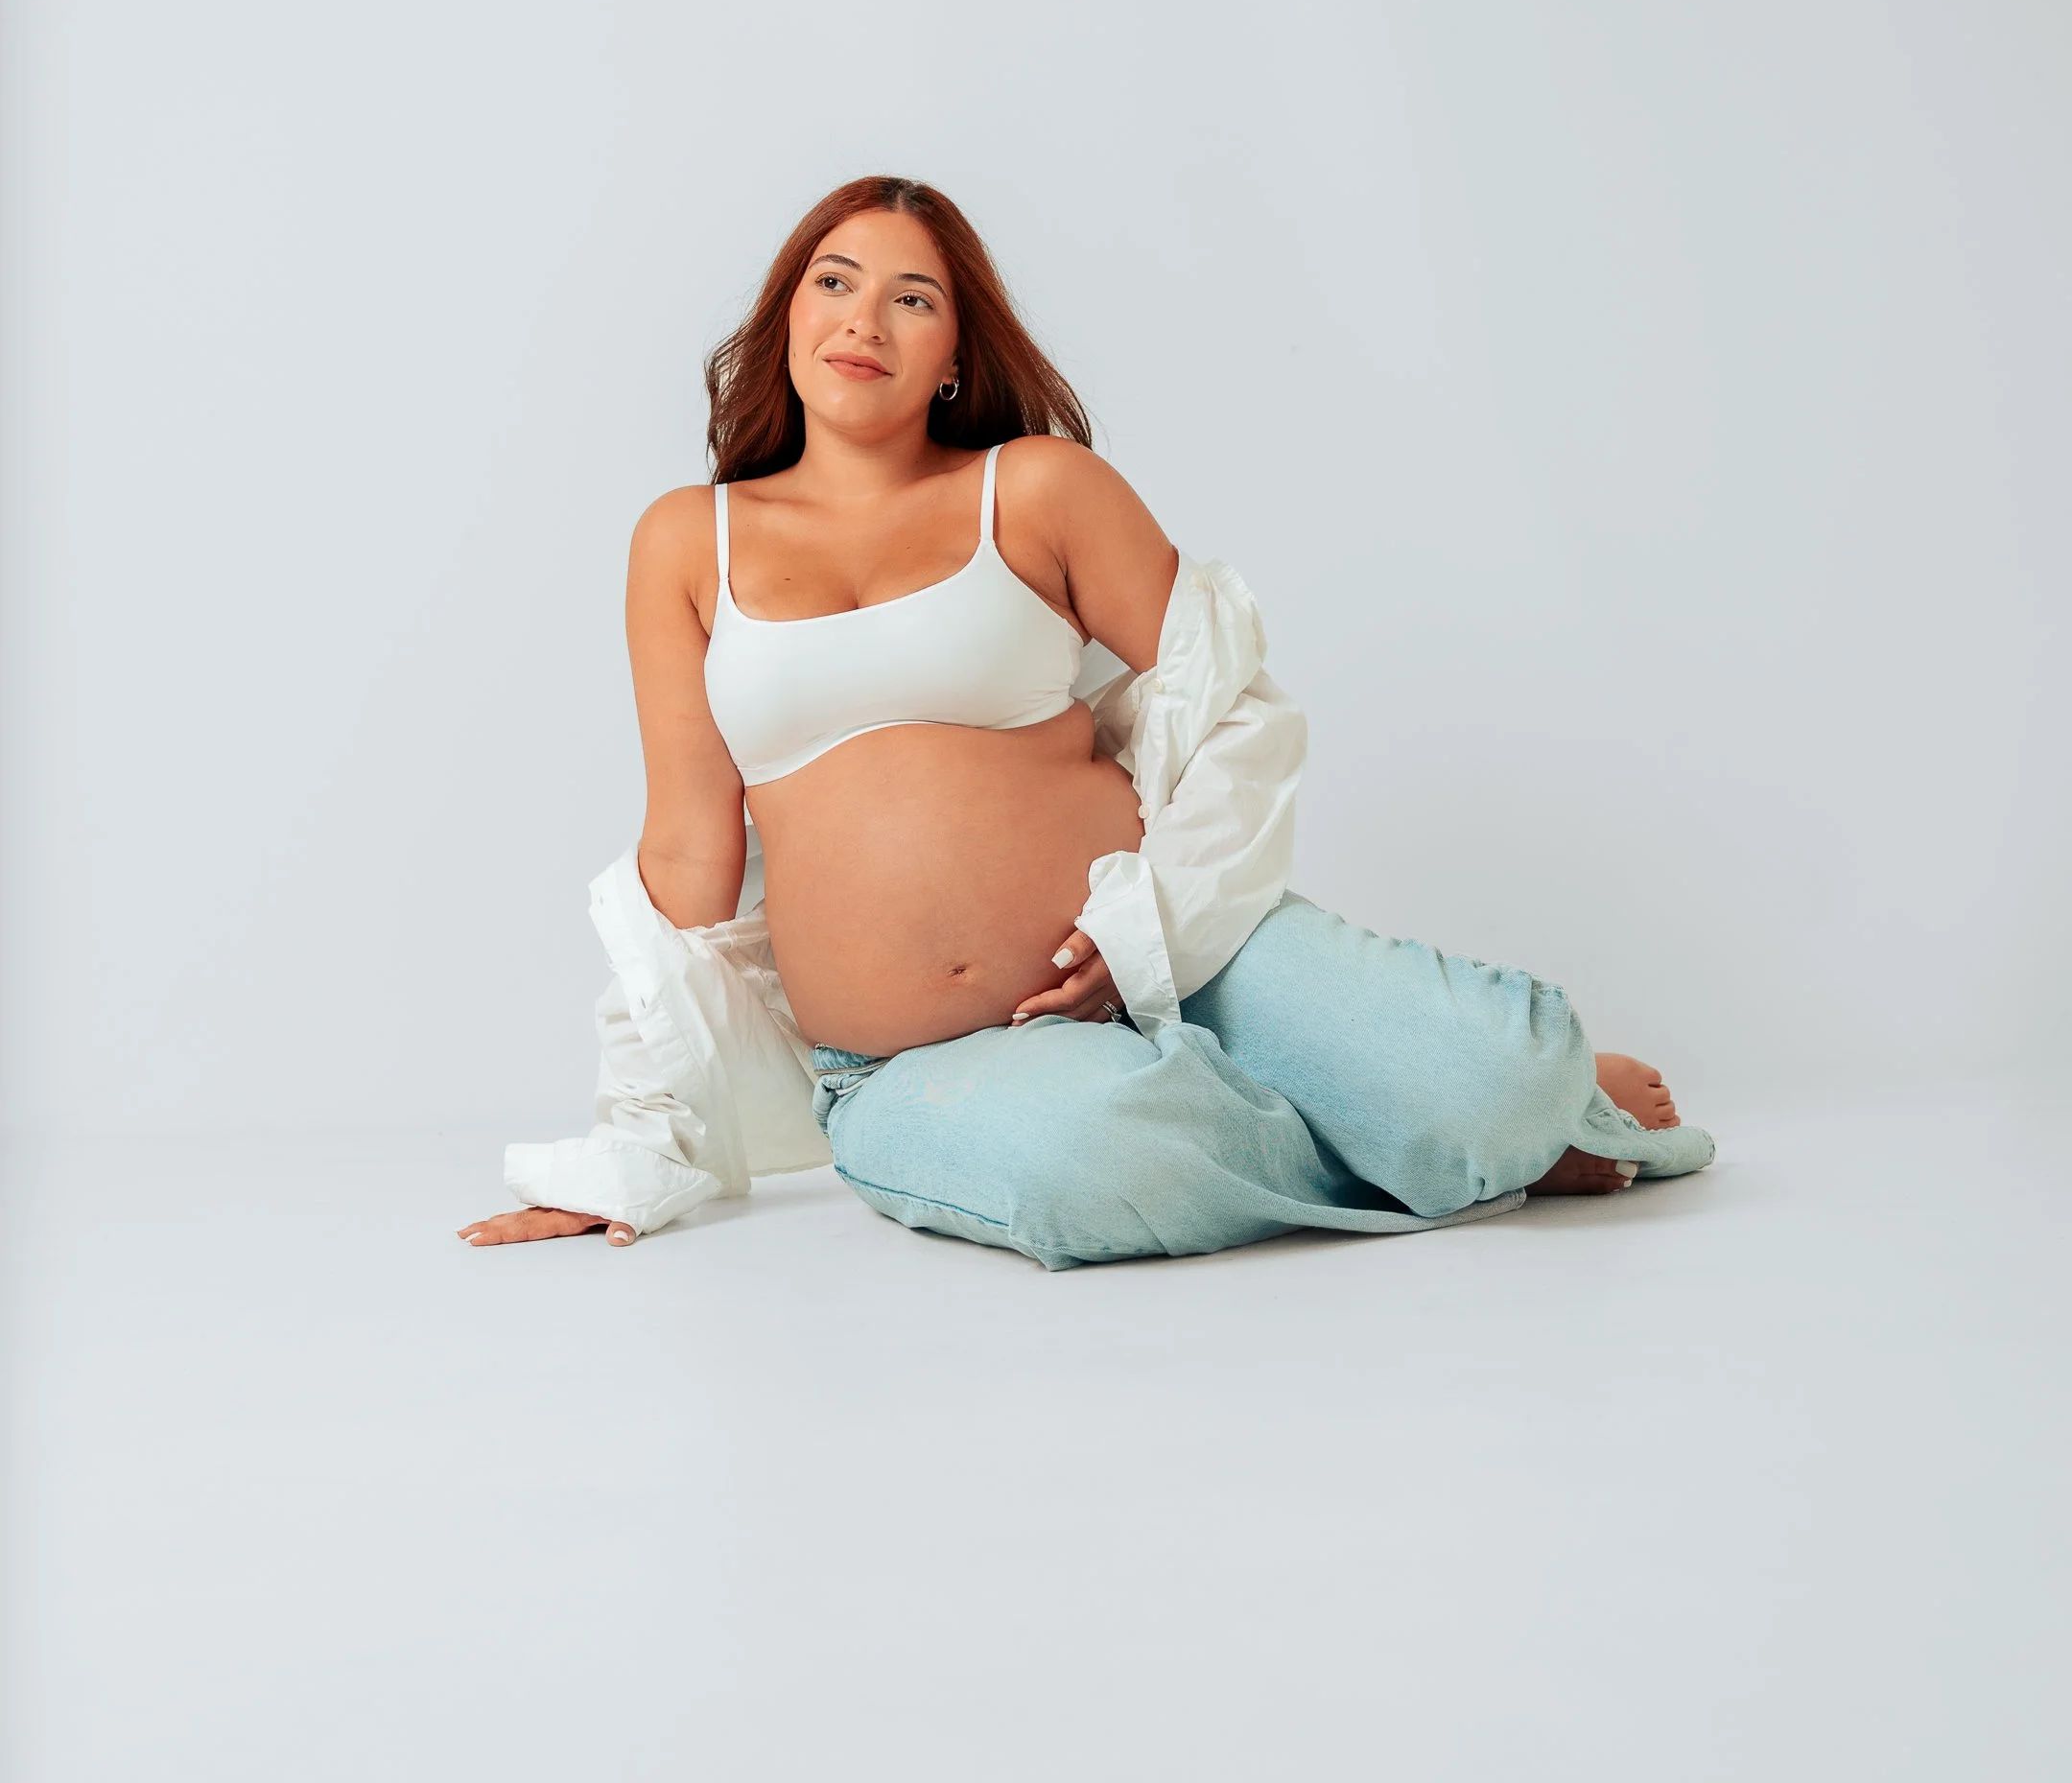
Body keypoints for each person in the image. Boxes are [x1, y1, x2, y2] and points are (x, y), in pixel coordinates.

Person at [468, 178, 1712, 1269]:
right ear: (787, 314)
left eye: (913, 297)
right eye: (834, 281)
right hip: (913, 1064)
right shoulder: (691, 539)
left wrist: (1146, 932)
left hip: (1186, 959)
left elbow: (1231, 705)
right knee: (1090, 1165)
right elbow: (684, 859)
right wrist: (640, 1141)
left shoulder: (1039, 489)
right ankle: (1446, 1146)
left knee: (1502, 1068)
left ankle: (1492, 1111)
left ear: (954, 351)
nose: (863, 317)